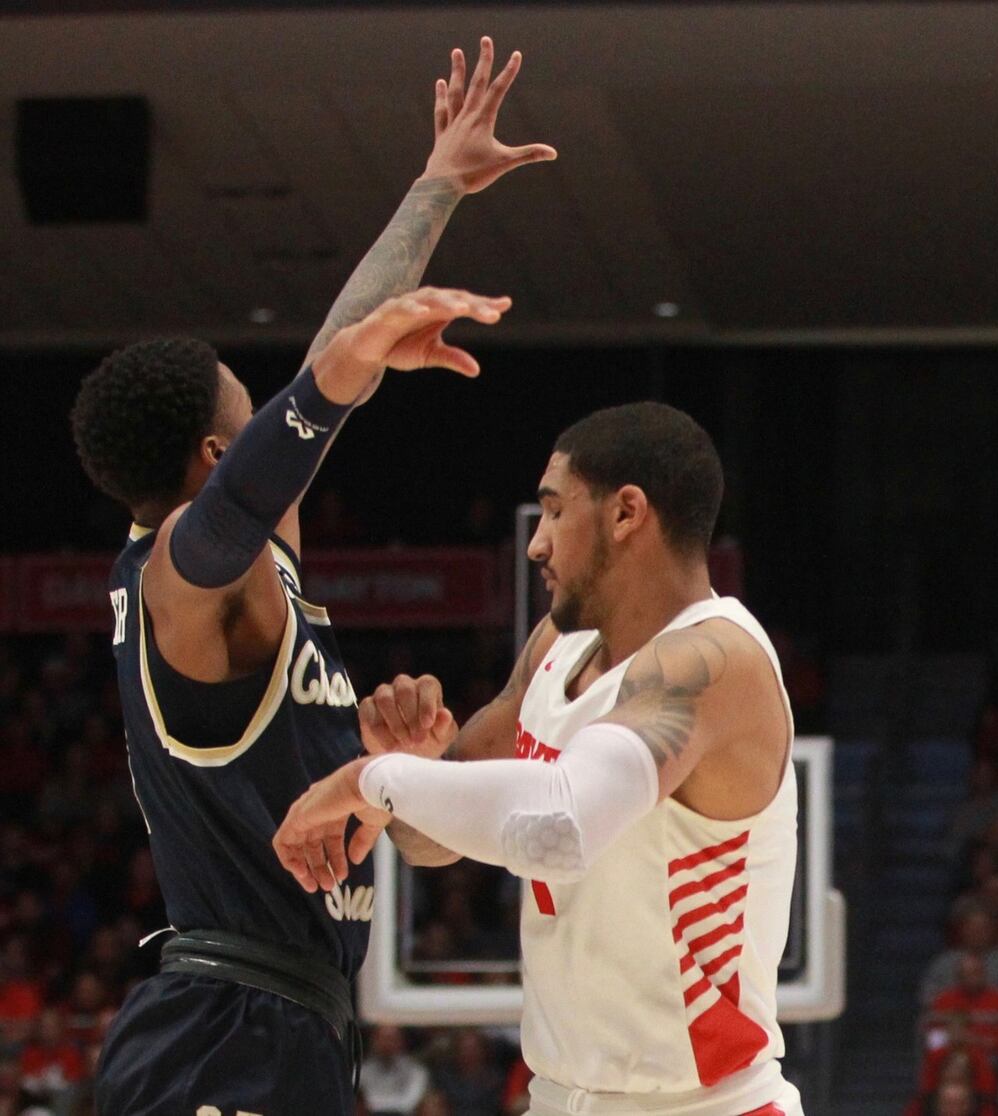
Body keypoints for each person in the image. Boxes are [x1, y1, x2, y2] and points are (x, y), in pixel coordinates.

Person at [71, 37, 551, 1116]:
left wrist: (436, 188)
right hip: (219, 1031)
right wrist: (336, 383)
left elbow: (333, 354)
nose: (274, 411)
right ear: (211, 457)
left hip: (285, 1024)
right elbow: (252, 483)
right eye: (249, 411)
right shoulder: (178, 585)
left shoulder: (260, 577)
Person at [274, 403, 805, 1114]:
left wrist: (373, 779)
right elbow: (427, 841)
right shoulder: (555, 650)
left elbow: (557, 828)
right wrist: (419, 765)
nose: (536, 544)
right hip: (559, 1097)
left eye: (554, 512)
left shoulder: (713, 662)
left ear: (626, 514)